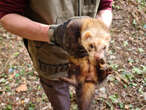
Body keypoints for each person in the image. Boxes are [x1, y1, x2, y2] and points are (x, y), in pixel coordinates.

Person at [0, 0, 113, 110]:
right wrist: (52, 34)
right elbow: (7, 15)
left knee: (86, 92)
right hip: (50, 57)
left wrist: (99, 33)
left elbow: (105, 6)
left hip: (87, 61)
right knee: (59, 97)